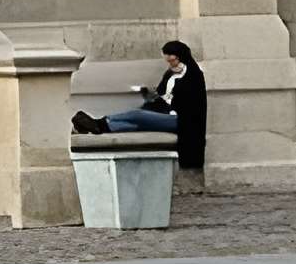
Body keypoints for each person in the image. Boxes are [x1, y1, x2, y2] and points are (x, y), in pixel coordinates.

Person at [76, 40, 210, 175]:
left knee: (137, 115)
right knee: (136, 125)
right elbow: (161, 93)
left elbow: (190, 104)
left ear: (181, 57)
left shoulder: (194, 76)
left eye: (172, 60)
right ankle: (101, 127)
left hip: (181, 119)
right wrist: (152, 94)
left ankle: (100, 122)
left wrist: (170, 98)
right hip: (165, 113)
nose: (170, 64)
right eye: (168, 61)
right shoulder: (170, 74)